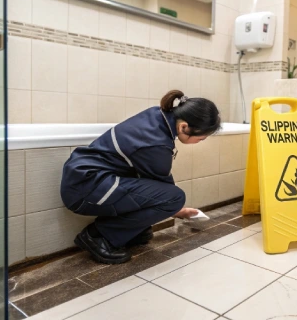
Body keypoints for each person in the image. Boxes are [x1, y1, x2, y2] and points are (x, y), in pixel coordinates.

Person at [59, 90, 222, 264]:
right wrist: (179, 210)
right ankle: (98, 236)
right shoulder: (155, 143)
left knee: (153, 218)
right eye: (201, 138)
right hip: (85, 189)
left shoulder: (157, 117)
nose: (200, 141)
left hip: (85, 179)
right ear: (184, 127)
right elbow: (165, 190)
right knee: (175, 198)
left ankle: (130, 231)